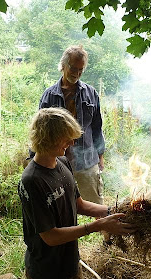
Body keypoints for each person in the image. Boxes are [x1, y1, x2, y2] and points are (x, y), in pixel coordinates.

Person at [19, 107, 137, 279]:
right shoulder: (32, 181)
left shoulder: (63, 164)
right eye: (66, 139)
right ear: (49, 138)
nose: (72, 143)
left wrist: (117, 211)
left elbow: (80, 205)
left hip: (71, 263)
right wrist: (99, 225)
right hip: (47, 269)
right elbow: (51, 237)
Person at [38, 45, 105, 205]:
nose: (76, 73)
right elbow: (41, 131)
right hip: (57, 162)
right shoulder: (49, 96)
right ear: (63, 65)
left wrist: (100, 156)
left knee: (97, 206)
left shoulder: (91, 93)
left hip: (86, 161)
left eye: (81, 69)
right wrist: (36, 158)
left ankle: (105, 229)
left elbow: (97, 127)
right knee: (60, 207)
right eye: (73, 68)